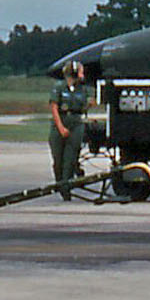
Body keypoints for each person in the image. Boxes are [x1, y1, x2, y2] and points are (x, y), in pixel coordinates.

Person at [48, 61, 89, 199]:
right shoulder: (59, 87)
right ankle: (61, 184)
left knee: (70, 159)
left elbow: (83, 108)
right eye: (81, 71)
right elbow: (54, 107)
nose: (82, 75)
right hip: (60, 122)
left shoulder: (82, 89)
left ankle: (66, 189)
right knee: (58, 159)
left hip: (76, 124)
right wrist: (60, 127)